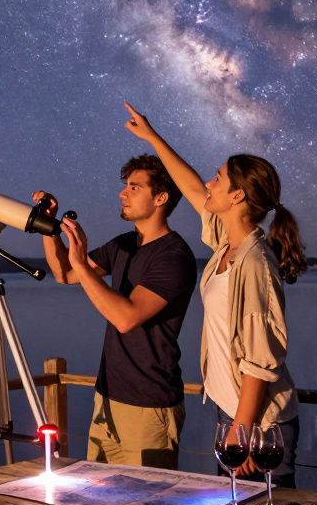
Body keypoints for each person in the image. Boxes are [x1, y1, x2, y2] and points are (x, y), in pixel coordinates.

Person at [121, 101, 305, 487]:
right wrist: (152, 137)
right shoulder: (226, 243)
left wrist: (242, 430)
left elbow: (259, 359)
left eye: (218, 179)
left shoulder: (255, 263)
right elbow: (190, 186)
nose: (208, 183)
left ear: (237, 196)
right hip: (231, 411)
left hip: (258, 423)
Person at [33, 155, 197, 469]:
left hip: (149, 408)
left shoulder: (173, 257)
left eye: (134, 187)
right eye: (125, 186)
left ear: (160, 198)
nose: (123, 193)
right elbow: (65, 274)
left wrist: (81, 264)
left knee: (146, 498)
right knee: (97, 496)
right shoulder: (124, 245)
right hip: (106, 399)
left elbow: (126, 318)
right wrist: (49, 228)